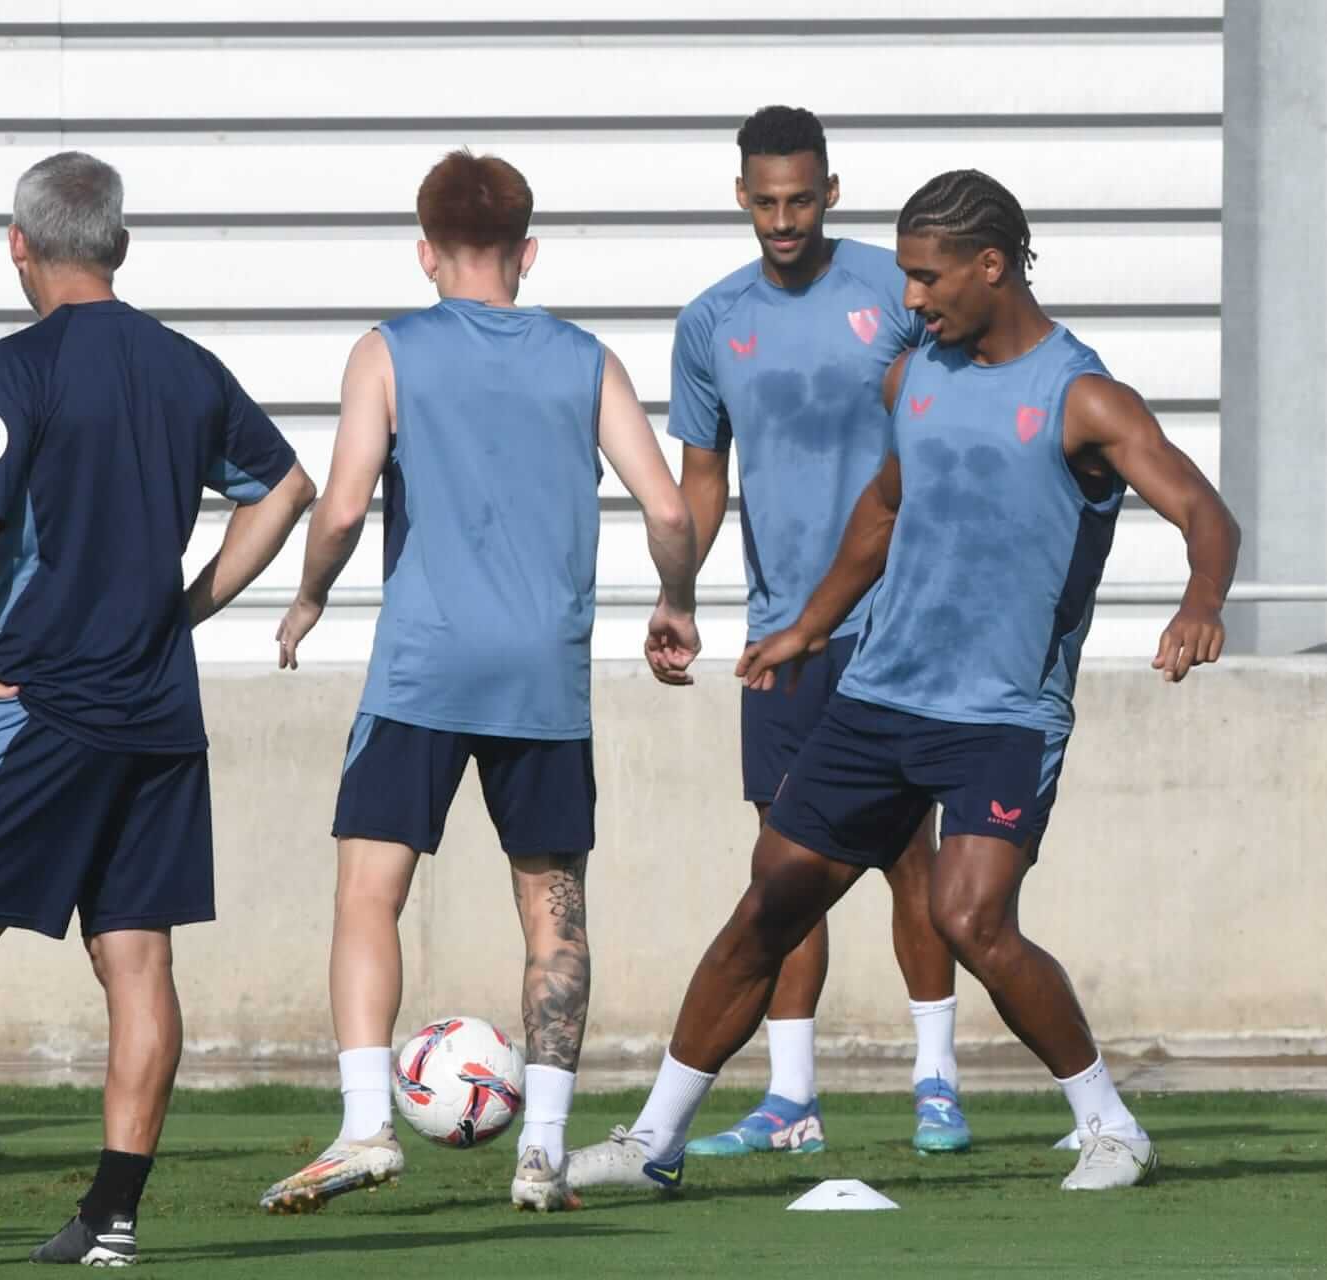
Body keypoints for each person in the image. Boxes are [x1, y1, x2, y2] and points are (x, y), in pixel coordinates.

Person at [570, 168, 1240, 1195]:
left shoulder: (1083, 395)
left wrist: (1200, 602)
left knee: (972, 919)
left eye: (927, 278)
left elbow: (1205, 513)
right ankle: (652, 1141)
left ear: (991, 264)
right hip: (878, 693)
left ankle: (1109, 1123)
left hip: (1000, 712)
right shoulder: (913, 375)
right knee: (769, 901)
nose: (911, 297)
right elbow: (882, 511)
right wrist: (806, 627)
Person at [0, 151, 315, 1269]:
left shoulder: (16, 365)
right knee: (137, 958)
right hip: (161, 714)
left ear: (19, 247)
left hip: (44, 704)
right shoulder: (188, 367)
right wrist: (189, 606)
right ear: (115, 245)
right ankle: (111, 1218)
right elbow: (285, 488)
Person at [257, 149, 700, 1216]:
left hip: (421, 666)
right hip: (541, 673)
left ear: (424, 252)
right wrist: (674, 602)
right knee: (554, 909)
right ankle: (540, 1150)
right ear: (528, 252)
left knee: (370, 890)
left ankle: (367, 1123)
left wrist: (310, 594)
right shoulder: (585, 358)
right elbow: (672, 511)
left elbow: (347, 503)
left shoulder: (387, 350)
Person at [658, 105, 969, 1160]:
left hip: (896, 628)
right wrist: (676, 593)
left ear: (830, 192)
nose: (783, 219)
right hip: (776, 635)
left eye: (801, 199)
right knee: (779, 870)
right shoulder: (710, 321)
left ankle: (936, 1083)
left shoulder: (895, 290)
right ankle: (790, 1099)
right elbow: (702, 484)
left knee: (909, 863)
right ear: (739, 198)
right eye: (765, 202)